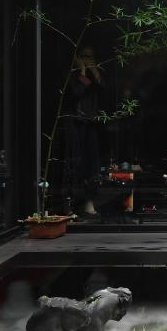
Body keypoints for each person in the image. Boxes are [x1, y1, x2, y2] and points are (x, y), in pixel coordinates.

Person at [65, 45, 103, 216]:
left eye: (90, 57)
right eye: (84, 56)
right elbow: (76, 92)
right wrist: (81, 71)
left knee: (92, 164)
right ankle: (70, 203)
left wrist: (94, 71)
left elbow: (102, 90)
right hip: (75, 124)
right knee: (75, 162)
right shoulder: (71, 75)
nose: (87, 60)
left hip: (90, 124)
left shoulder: (94, 77)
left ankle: (89, 201)